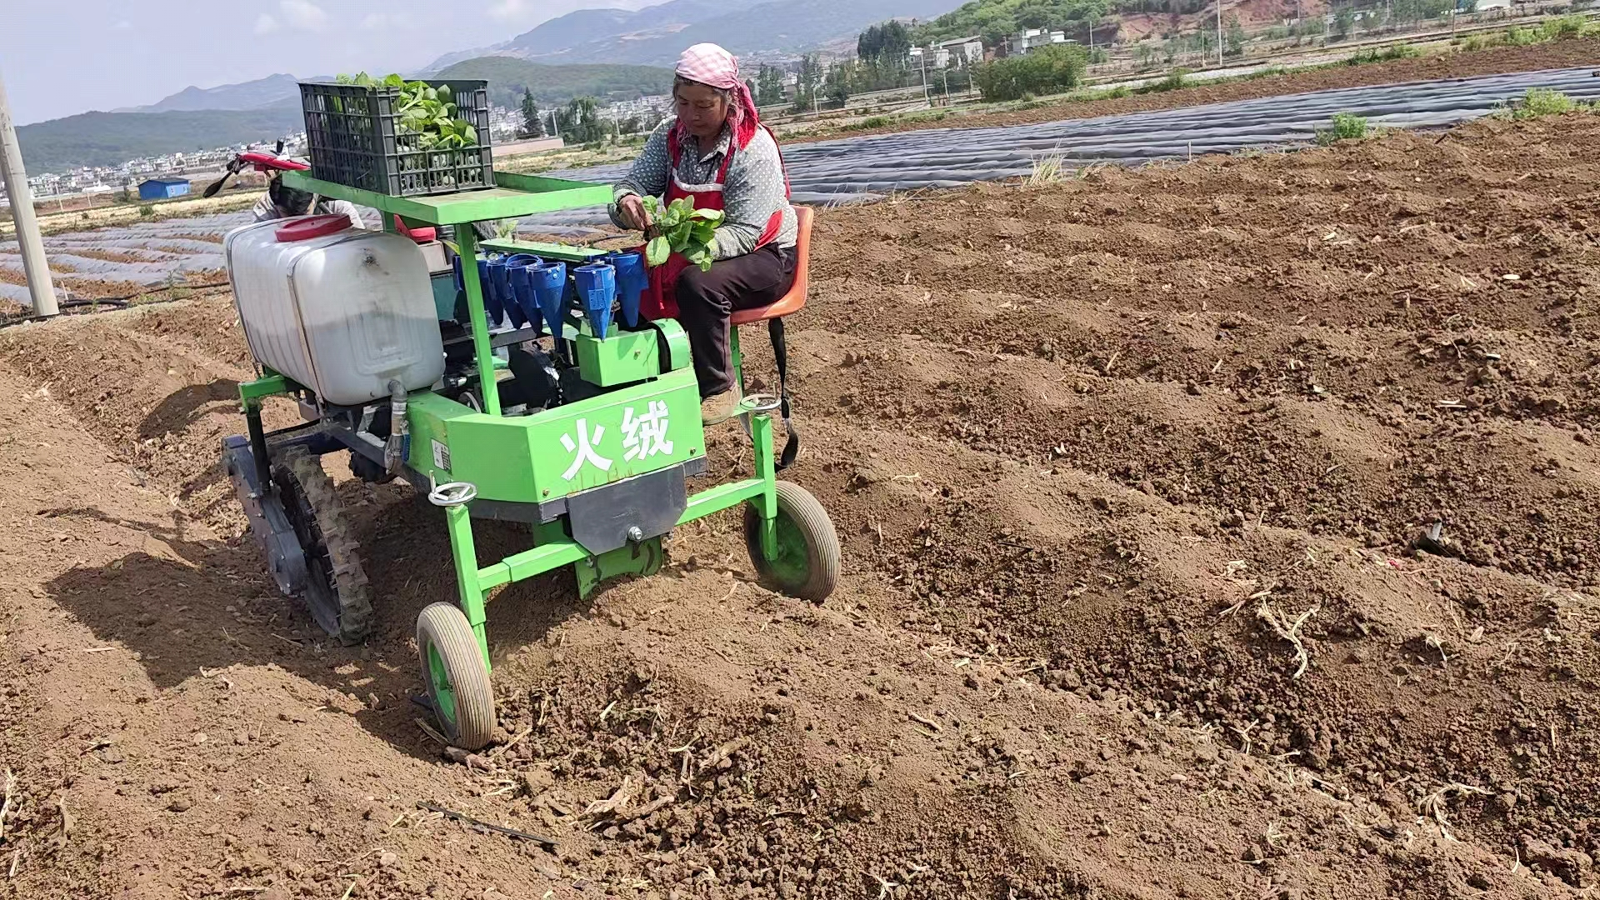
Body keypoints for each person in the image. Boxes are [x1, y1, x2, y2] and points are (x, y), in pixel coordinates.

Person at [611, 43, 797, 424]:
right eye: (682, 103)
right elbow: (631, 183)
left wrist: (682, 251)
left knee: (699, 283)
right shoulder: (670, 137)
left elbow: (745, 233)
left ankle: (717, 386)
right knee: (623, 279)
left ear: (728, 100)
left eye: (702, 106)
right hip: (695, 250)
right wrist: (627, 202)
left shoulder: (751, 148)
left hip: (765, 257)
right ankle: (646, 382)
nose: (690, 116)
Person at [252, 170, 371, 228]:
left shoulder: (336, 203)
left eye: (305, 213)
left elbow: (360, 236)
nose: (299, 221)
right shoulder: (265, 210)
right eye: (288, 215)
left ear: (314, 198)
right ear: (275, 205)